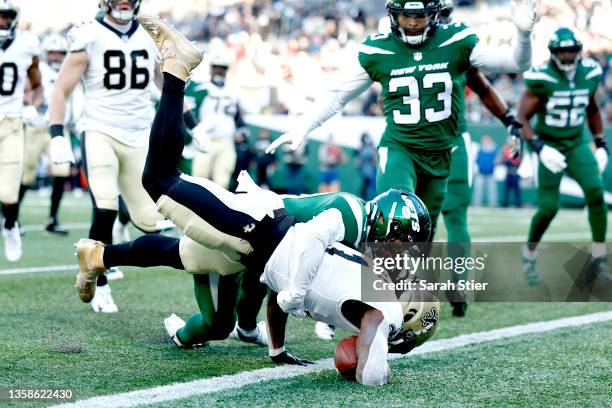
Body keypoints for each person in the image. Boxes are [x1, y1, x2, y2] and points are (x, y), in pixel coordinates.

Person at [74, 18, 434, 373]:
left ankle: (99, 256)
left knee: (191, 269)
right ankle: (175, 71)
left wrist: (274, 340)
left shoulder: (356, 249)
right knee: (158, 180)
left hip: (255, 248)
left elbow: (275, 277)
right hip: (255, 223)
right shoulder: (351, 215)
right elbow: (298, 253)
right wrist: (292, 296)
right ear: (388, 226)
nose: (399, 254)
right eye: (402, 243)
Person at [266, 0, 536, 240]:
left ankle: (414, 293)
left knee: (423, 235)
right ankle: (375, 292)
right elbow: (338, 95)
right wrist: (303, 126)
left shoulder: (456, 40)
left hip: (441, 154)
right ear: (394, 14)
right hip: (400, 149)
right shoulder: (379, 49)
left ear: (435, 14)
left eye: (419, 16)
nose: (413, 23)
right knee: (394, 217)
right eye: (406, 15)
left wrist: (524, 35)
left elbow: (515, 63)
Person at [48, 0, 165, 312]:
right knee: (106, 205)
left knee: (151, 221)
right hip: (100, 130)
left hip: (140, 135)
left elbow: (166, 85)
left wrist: (189, 124)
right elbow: (61, 89)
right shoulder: (89, 34)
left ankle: (95, 260)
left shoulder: (154, 33)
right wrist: (57, 133)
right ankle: (99, 282)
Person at [437, 0, 524, 317]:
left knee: (427, 220)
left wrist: (509, 119)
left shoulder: (452, 48)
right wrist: (509, 119)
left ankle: (419, 291)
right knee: (442, 220)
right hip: (440, 144)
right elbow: (485, 89)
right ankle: (449, 287)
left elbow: (484, 87)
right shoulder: (457, 46)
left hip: (436, 145)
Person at [518, 27, 609, 285]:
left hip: (577, 142)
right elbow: (521, 117)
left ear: (579, 51)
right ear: (553, 53)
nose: (568, 57)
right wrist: (537, 147)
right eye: (562, 52)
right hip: (550, 143)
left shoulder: (589, 73)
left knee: (595, 192)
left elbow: (591, 108)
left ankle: (599, 258)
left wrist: (600, 142)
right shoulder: (541, 77)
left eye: (571, 51)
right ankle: (530, 251)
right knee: (548, 207)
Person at [0, 0, 42, 262]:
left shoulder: (27, 43)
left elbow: (36, 85)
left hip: (12, 121)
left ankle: (10, 226)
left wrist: (33, 105)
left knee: (8, 191)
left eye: (6, 17)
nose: (2, 22)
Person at [20, 33, 72, 236]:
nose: (56, 57)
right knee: (27, 174)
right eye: (53, 53)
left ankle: (52, 219)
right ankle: (9, 217)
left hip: (58, 128)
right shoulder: (38, 69)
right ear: (46, 53)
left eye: (60, 53)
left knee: (62, 172)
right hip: (36, 127)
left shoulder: (71, 69)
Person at [187, 53, 249, 189]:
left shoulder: (233, 90)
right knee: (199, 180)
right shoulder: (200, 88)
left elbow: (238, 116)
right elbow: (189, 112)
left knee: (222, 182)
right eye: (216, 67)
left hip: (226, 142)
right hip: (205, 139)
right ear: (211, 69)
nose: (219, 71)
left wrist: (242, 131)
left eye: (222, 68)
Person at [473, 134, 499, 207]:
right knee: (478, 189)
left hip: (490, 173)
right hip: (480, 172)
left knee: (492, 190)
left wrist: (492, 167)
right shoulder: (479, 149)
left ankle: (493, 204)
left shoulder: (494, 149)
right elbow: (477, 160)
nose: (486, 141)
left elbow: (496, 160)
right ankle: (476, 203)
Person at [501, 137, 522, 208]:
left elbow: (517, 161)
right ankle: (505, 204)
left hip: (516, 173)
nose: (511, 143)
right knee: (506, 190)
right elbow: (503, 160)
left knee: (517, 190)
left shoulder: (517, 149)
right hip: (508, 173)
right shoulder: (506, 150)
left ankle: (518, 204)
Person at [358, 133, 377, 200]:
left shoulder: (366, 148)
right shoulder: (365, 149)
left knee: (370, 188)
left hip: (369, 171)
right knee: (372, 189)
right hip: (369, 171)